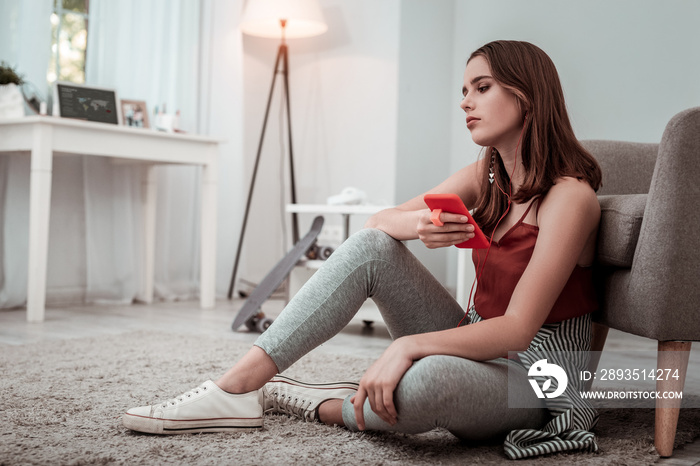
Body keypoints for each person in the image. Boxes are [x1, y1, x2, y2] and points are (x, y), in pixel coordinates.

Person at [123, 40, 603, 459]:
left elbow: (519, 330)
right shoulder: (488, 176)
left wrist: (408, 347)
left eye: (482, 87)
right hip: (475, 340)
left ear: (526, 94)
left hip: (538, 380)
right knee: (375, 247)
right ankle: (238, 387)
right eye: (463, 90)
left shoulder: (569, 198)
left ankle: (315, 402)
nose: (465, 102)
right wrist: (420, 225)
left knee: (423, 386)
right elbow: (377, 224)